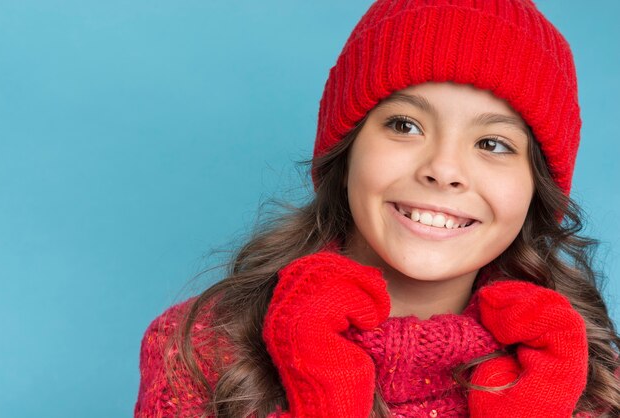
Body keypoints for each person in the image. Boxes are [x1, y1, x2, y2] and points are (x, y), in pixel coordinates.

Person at [134, 0, 620, 417]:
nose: (443, 169)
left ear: (537, 188)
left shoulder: (594, 385)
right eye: (406, 126)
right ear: (346, 149)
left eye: (492, 143)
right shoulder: (202, 350)